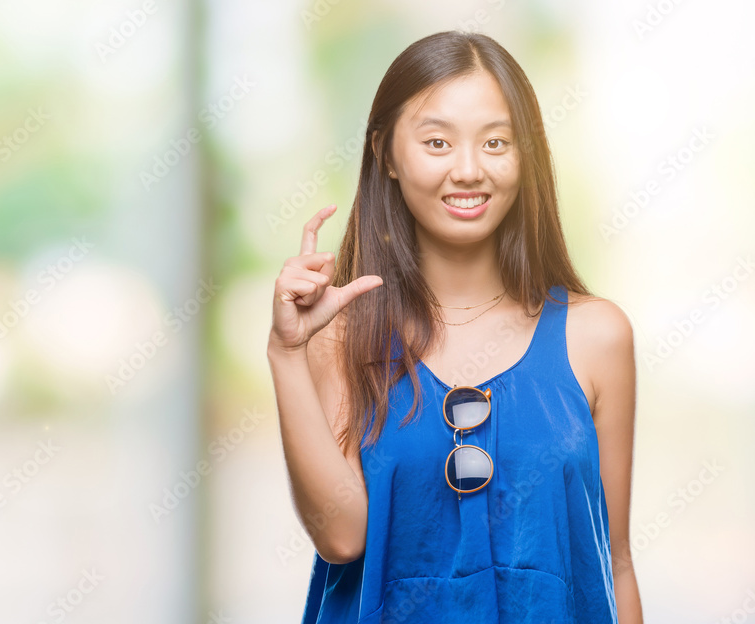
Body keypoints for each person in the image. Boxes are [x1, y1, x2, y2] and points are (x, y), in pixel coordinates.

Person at [267, 31, 643, 623]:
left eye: (496, 142)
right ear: (386, 154)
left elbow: (615, 563)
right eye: (437, 142)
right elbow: (341, 539)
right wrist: (287, 352)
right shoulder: (341, 334)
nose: (468, 170)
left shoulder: (597, 336)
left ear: (528, 155)